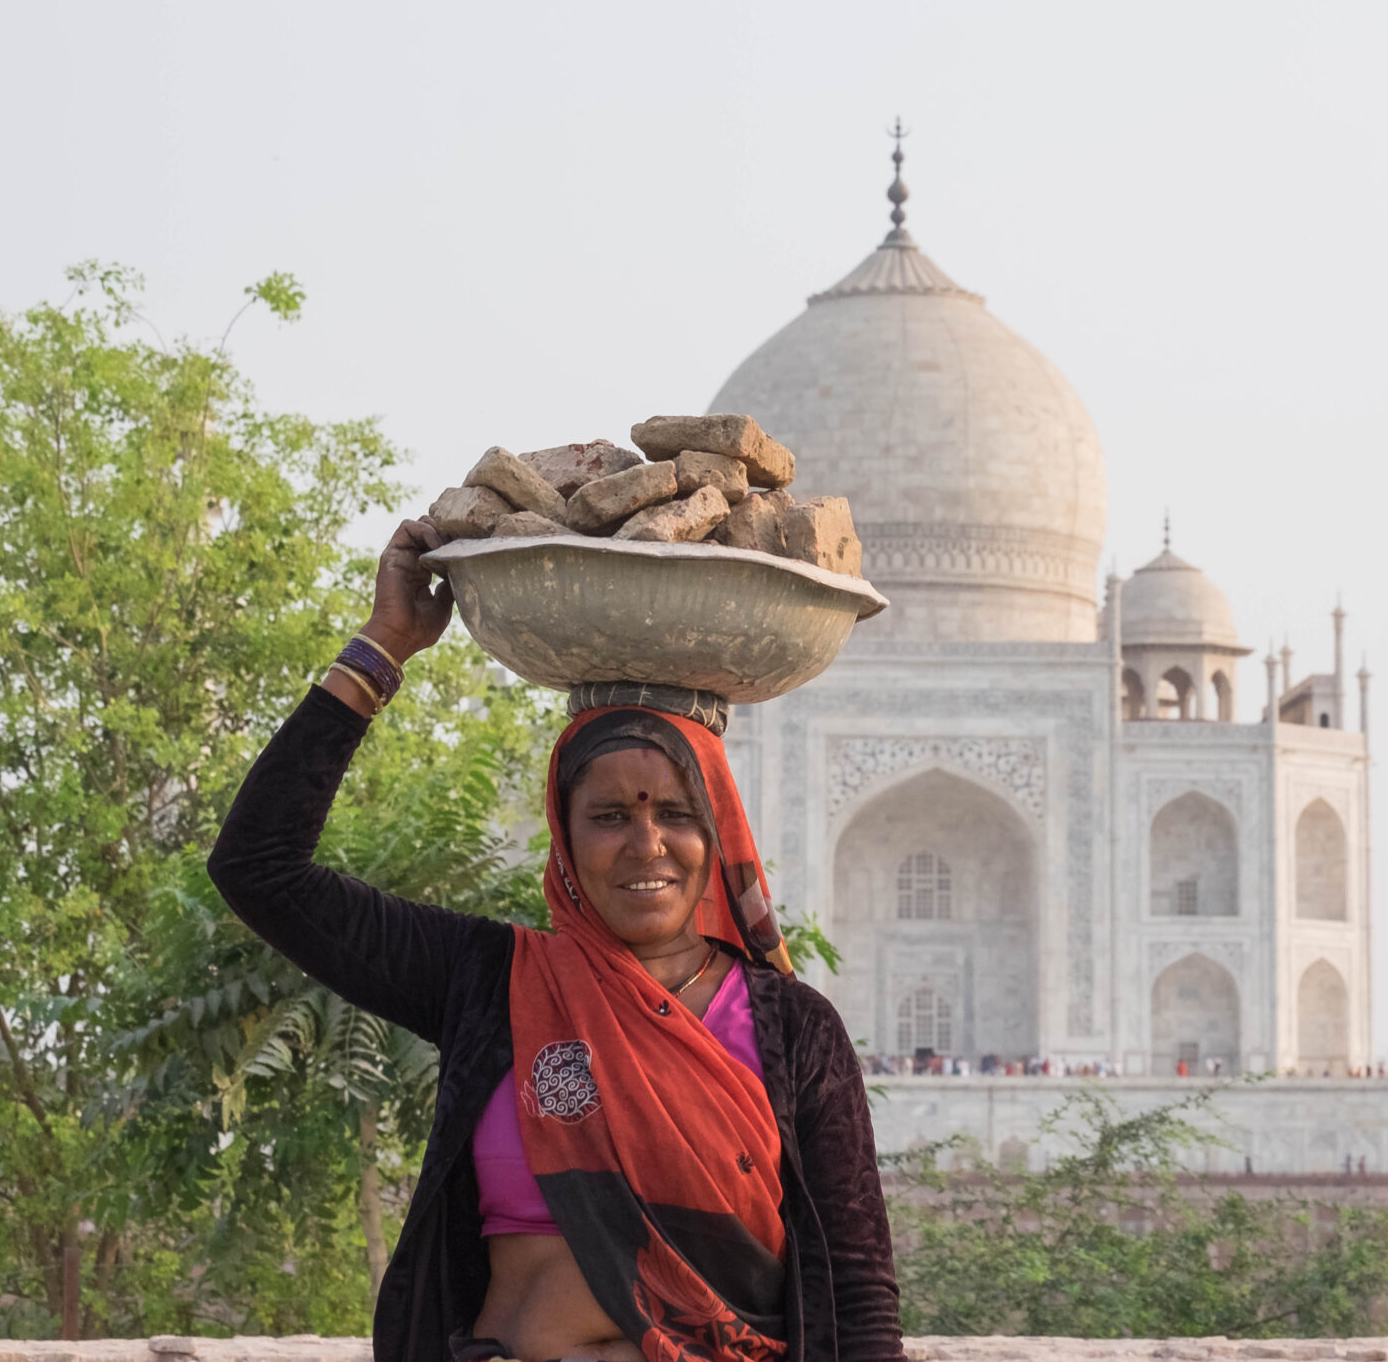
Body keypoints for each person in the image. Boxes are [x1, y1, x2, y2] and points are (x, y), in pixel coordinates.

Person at [208, 521, 904, 1362]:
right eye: (609, 816)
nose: (647, 844)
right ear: (564, 838)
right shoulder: (494, 981)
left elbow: (860, 1289)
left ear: (715, 833)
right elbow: (260, 869)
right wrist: (384, 646)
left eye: (675, 813)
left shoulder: (793, 1030)